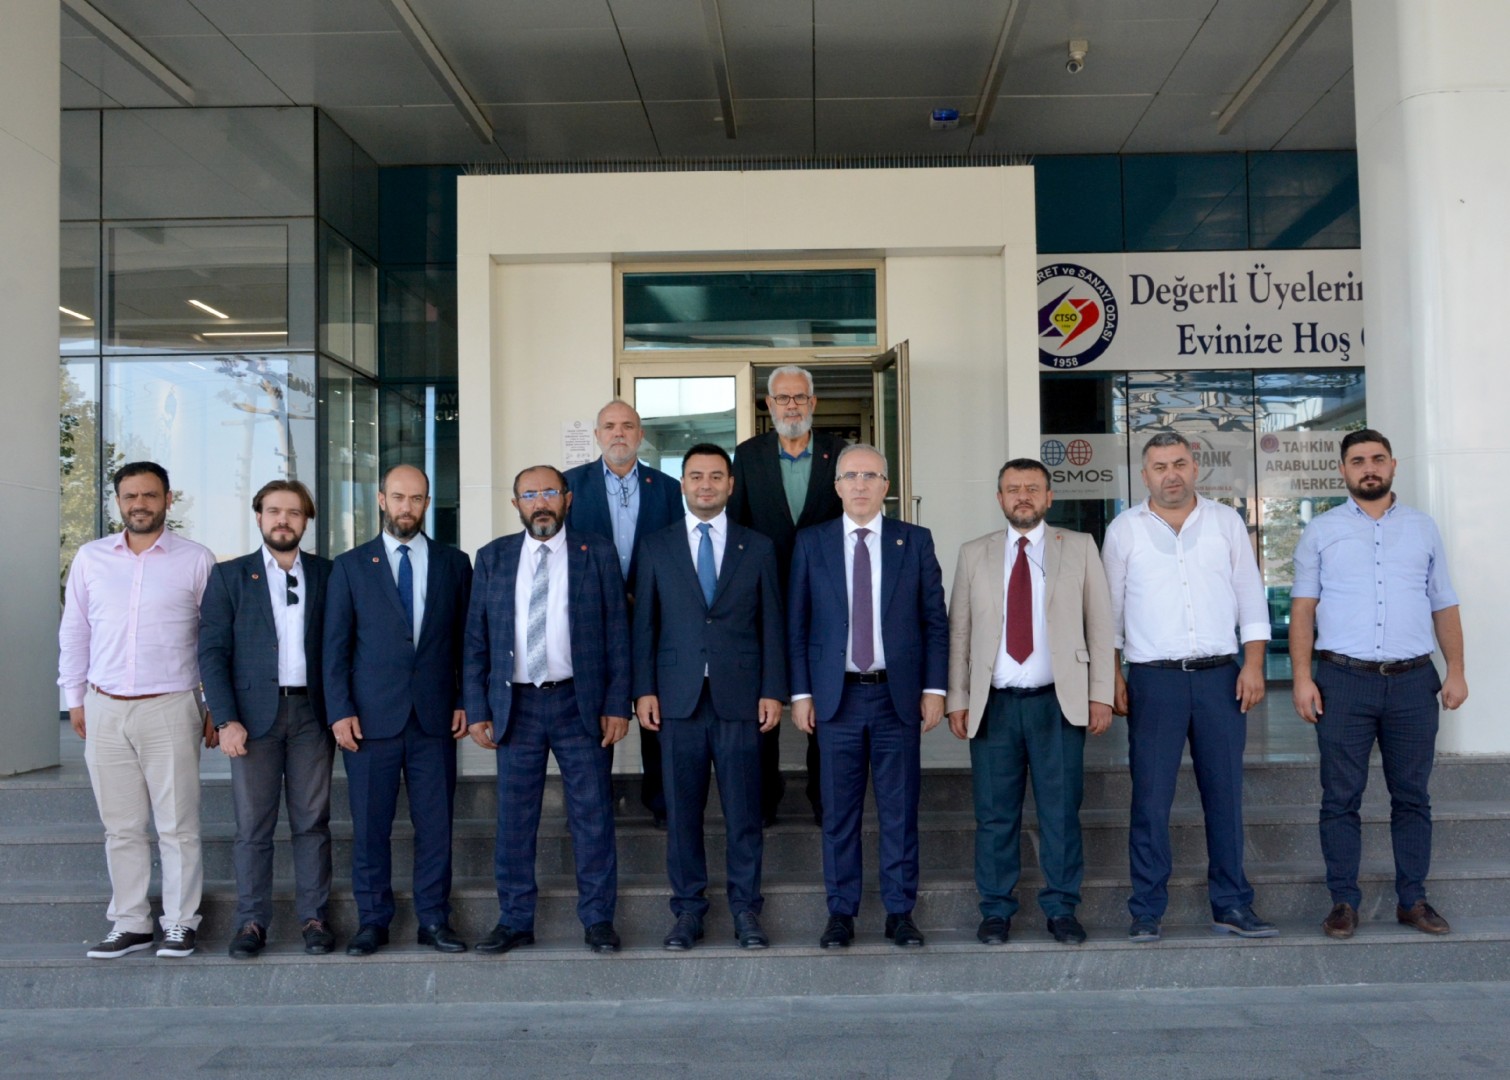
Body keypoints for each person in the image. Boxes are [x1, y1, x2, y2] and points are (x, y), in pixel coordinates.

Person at [1289, 429, 1468, 938]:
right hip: (1343, 681)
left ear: (1392, 466)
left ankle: (1413, 899)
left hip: (1413, 683)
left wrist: (1456, 669)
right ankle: (1343, 902)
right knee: (1340, 797)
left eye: (1377, 459)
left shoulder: (1423, 528)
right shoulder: (1321, 531)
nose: (1369, 468)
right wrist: (1302, 678)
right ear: (1343, 470)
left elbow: (1443, 602)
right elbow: (1303, 610)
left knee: (1412, 796)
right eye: (1358, 460)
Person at [1103, 432, 1276, 943]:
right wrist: (1112, 674)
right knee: (1150, 800)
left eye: (1179, 463)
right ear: (1144, 475)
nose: (1171, 475)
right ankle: (1146, 909)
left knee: (1225, 796)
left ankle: (1232, 903)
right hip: (1153, 681)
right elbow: (1110, 612)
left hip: (1221, 678)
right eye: (1159, 467)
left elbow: (1251, 597)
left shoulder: (1226, 523)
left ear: (1195, 467)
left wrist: (1254, 664)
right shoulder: (1123, 530)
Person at [946, 459, 1115, 946]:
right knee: (994, 815)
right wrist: (958, 697)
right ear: (999, 498)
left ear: (1049, 497)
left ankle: (1061, 908)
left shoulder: (1079, 547)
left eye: (1033, 488)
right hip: (994, 707)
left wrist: (1100, 694)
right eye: (1013, 488)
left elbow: (1100, 624)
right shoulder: (974, 553)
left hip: (1057, 704)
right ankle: (996, 910)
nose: (1023, 496)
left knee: (1060, 813)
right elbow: (960, 631)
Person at [464, 465, 632, 955]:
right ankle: (515, 919)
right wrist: (477, 707)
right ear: (516, 503)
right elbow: (476, 639)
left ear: (567, 499)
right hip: (515, 705)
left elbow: (617, 634)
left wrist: (617, 703)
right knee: (514, 820)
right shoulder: (492, 557)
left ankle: (598, 919)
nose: (540, 502)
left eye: (550, 492)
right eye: (530, 494)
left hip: (579, 703)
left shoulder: (597, 552)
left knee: (592, 815)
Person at [788, 443, 948, 949]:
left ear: (886, 486)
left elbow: (934, 621)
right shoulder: (811, 542)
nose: (860, 484)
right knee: (839, 814)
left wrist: (935, 688)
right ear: (837, 486)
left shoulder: (914, 541)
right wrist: (801, 693)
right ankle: (841, 912)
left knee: (900, 811)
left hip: (896, 698)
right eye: (851, 476)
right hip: (835, 699)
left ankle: (900, 912)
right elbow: (797, 625)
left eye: (871, 476)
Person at [59, 461, 216, 959]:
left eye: (149, 495)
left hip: (171, 705)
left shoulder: (196, 560)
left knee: (177, 825)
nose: (139, 504)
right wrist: (75, 697)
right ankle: (130, 923)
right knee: (121, 827)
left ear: (168, 499)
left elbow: (214, 639)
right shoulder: (91, 558)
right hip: (104, 707)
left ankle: (180, 922)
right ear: (118, 502)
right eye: (130, 496)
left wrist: (214, 703)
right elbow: (75, 630)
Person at [632, 444, 786, 951]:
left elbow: (772, 624)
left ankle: (746, 910)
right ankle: (687, 911)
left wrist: (773, 690)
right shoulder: (656, 546)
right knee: (682, 815)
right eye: (696, 476)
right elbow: (644, 625)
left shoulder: (757, 547)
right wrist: (643, 689)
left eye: (716, 476)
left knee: (744, 813)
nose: (706, 485)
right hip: (676, 701)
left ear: (730, 485)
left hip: (741, 698)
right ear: (682, 484)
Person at [323, 464, 472, 957]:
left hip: (434, 718)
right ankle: (373, 921)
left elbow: (466, 642)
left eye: (417, 498)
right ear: (381, 500)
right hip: (369, 721)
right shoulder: (349, 566)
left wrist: (465, 700)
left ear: (427, 503)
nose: (407, 507)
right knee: (370, 828)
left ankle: (434, 919)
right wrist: (340, 710)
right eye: (399, 497)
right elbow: (335, 647)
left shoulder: (454, 563)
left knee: (436, 827)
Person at [198, 479, 336, 958]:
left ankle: (314, 918)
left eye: (294, 512)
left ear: (306, 520)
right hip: (251, 720)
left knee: (312, 822)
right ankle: (251, 922)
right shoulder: (229, 576)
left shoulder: (328, 574)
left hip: (312, 716)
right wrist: (225, 718)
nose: (283, 520)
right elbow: (212, 652)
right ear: (259, 517)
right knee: (253, 826)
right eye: (274, 511)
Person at [729, 365, 847, 826]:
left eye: (800, 397)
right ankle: (764, 798)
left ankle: (825, 798)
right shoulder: (748, 455)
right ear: (769, 405)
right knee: (764, 700)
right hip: (765, 600)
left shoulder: (841, 453)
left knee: (827, 700)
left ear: (813, 403)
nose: (792, 406)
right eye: (783, 398)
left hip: (829, 600)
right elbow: (737, 528)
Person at [563, 400, 683, 828]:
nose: (619, 433)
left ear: (640, 435)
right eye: (610, 426)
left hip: (655, 620)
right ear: (597, 435)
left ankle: (663, 805)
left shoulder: (667, 488)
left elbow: (676, 554)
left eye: (628, 426)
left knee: (657, 711)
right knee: (595, 713)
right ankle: (591, 809)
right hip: (592, 622)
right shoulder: (569, 485)